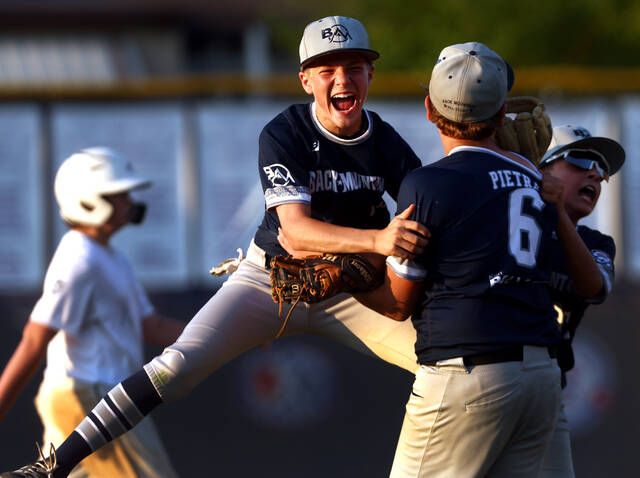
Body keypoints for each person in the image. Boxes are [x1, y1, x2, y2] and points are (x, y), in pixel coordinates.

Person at [0, 16, 429, 477]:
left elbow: (423, 221)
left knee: (444, 364)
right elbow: (296, 231)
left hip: (349, 291)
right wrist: (378, 241)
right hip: (272, 279)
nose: (341, 79)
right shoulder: (285, 133)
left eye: (353, 65)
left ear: (370, 75)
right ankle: (52, 467)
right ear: (305, 79)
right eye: (326, 69)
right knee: (175, 369)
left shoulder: (386, 144)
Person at [355, 42, 563, 477]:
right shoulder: (533, 176)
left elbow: (397, 304)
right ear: (501, 111)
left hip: (468, 374)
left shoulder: (427, 184)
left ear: (429, 109)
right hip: (541, 374)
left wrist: (345, 276)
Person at [0, 148, 185, 477]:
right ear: (89, 200)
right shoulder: (78, 258)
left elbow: (151, 326)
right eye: (117, 194)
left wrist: (226, 333)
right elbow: (34, 338)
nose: (129, 202)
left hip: (94, 397)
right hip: (89, 398)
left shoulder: (110, 257)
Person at [537, 125, 625, 478]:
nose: (595, 173)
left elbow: (596, 288)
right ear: (540, 169)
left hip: (548, 393)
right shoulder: (510, 223)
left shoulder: (596, 243)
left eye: (601, 170)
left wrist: (558, 214)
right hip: (491, 380)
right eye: (579, 159)